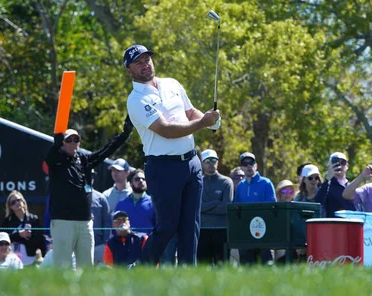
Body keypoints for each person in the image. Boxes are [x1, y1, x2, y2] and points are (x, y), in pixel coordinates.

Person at [124, 44, 220, 266]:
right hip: (163, 167)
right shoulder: (136, 100)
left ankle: (188, 275)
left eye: (147, 59)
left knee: (190, 225)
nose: (145, 64)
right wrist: (203, 123)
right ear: (129, 71)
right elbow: (166, 130)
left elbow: (189, 112)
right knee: (167, 227)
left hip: (192, 163)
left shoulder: (172, 84)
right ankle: (142, 267)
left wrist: (211, 121)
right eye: (138, 62)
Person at [46, 117, 133, 268]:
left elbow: (106, 151)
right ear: (62, 143)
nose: (73, 142)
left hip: (85, 223)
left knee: (86, 268)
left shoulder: (84, 160)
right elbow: (51, 156)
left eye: (76, 139)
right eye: (69, 139)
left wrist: (124, 134)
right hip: (63, 221)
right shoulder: (56, 159)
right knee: (63, 268)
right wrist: (57, 142)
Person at [234, 152, 276, 265]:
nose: (248, 166)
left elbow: (271, 207)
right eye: (245, 163)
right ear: (241, 167)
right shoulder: (240, 186)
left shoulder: (266, 183)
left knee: (267, 265)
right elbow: (237, 209)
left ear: (256, 165)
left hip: (264, 231)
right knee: (247, 267)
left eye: (251, 163)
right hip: (246, 231)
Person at [198, 149, 233, 266]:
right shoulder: (197, 182)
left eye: (213, 160)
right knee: (203, 268)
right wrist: (215, 202)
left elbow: (225, 208)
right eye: (207, 161)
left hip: (222, 230)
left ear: (217, 162)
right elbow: (196, 208)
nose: (211, 163)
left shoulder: (226, 182)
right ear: (202, 163)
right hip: (202, 230)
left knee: (222, 268)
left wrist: (205, 207)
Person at [1, 190, 46, 266]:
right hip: (11, 260)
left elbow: (40, 240)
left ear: (23, 202)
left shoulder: (33, 219)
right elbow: (3, 239)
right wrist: (19, 235)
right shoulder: (7, 221)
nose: (17, 203)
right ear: (10, 207)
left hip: (30, 259)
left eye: (18, 200)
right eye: (13, 202)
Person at [316, 152, 355, 218]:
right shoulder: (326, 186)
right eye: (335, 162)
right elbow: (318, 202)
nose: (339, 165)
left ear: (347, 166)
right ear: (329, 166)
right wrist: (327, 179)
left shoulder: (351, 186)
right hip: (332, 225)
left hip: (349, 225)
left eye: (343, 162)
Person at [91, 176, 112, 264]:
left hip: (98, 245)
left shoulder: (100, 197)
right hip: (77, 246)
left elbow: (107, 222)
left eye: (92, 175)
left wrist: (105, 243)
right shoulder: (73, 196)